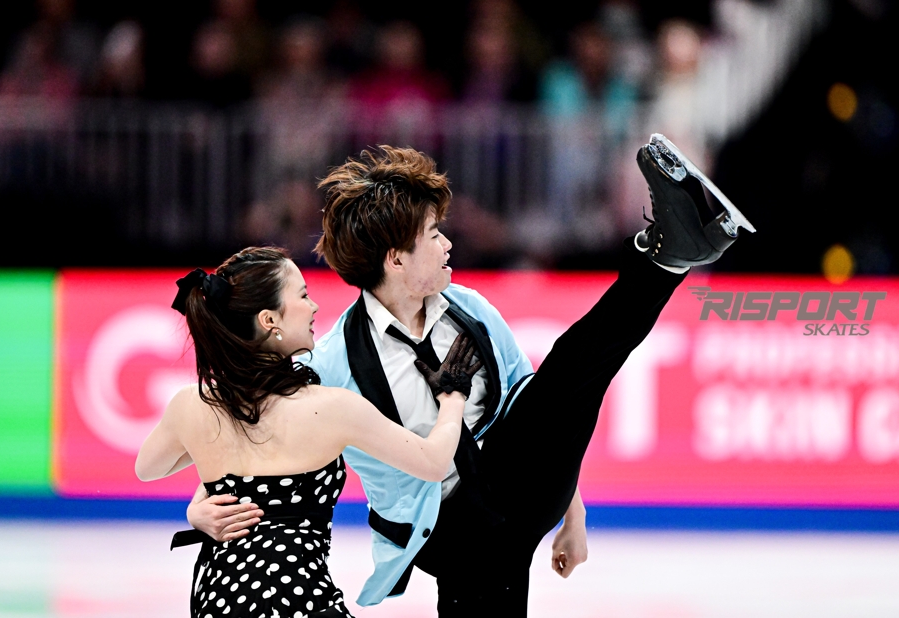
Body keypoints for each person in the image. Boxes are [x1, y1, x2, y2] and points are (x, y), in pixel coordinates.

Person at [187, 144, 748, 616]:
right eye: (434, 234)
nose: (448, 244)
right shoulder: (335, 362)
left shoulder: (469, 309)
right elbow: (259, 440)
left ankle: (668, 256)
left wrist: (572, 512)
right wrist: (199, 505)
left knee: (571, 367)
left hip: (518, 485)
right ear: (396, 260)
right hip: (449, 532)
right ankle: (672, 255)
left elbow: (545, 410)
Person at [135, 246, 483, 618]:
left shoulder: (192, 405)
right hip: (299, 599)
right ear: (270, 320)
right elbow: (433, 463)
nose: (314, 306)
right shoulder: (331, 408)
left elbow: (148, 468)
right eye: (302, 296)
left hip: (220, 600)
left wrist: (199, 507)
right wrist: (453, 396)